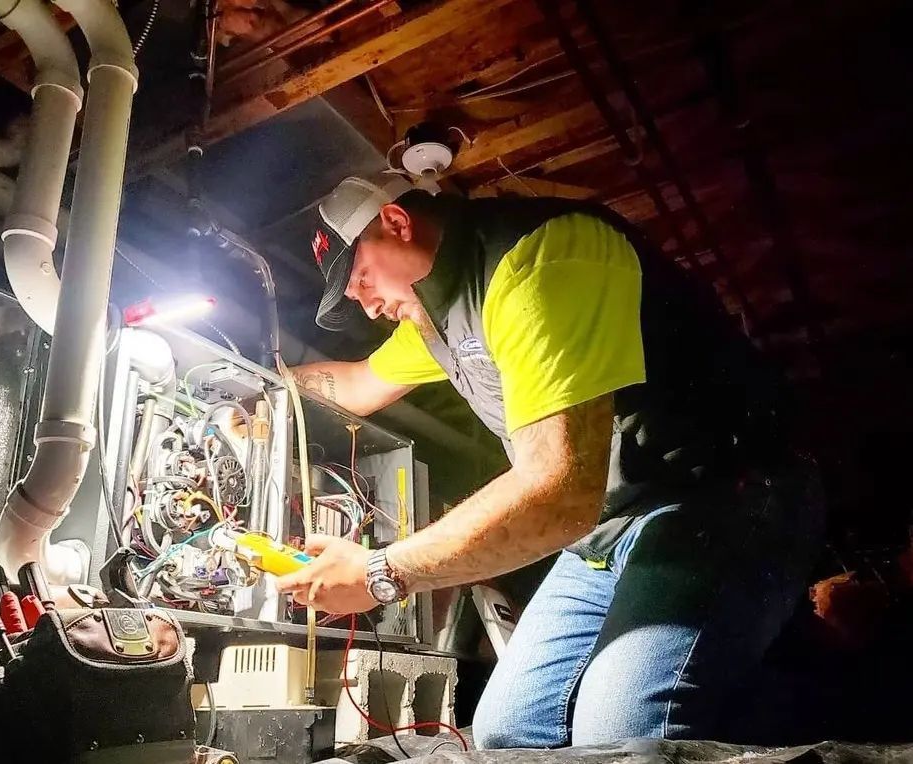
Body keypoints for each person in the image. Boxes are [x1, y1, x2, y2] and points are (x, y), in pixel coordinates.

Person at [276, 174, 823, 748]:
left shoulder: (538, 261)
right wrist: (260, 387)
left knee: (621, 734)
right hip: (607, 530)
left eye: (362, 278)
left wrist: (381, 572)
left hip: (717, 493)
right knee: (508, 733)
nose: (367, 306)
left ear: (396, 222)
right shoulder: (434, 316)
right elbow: (358, 384)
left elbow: (559, 491)